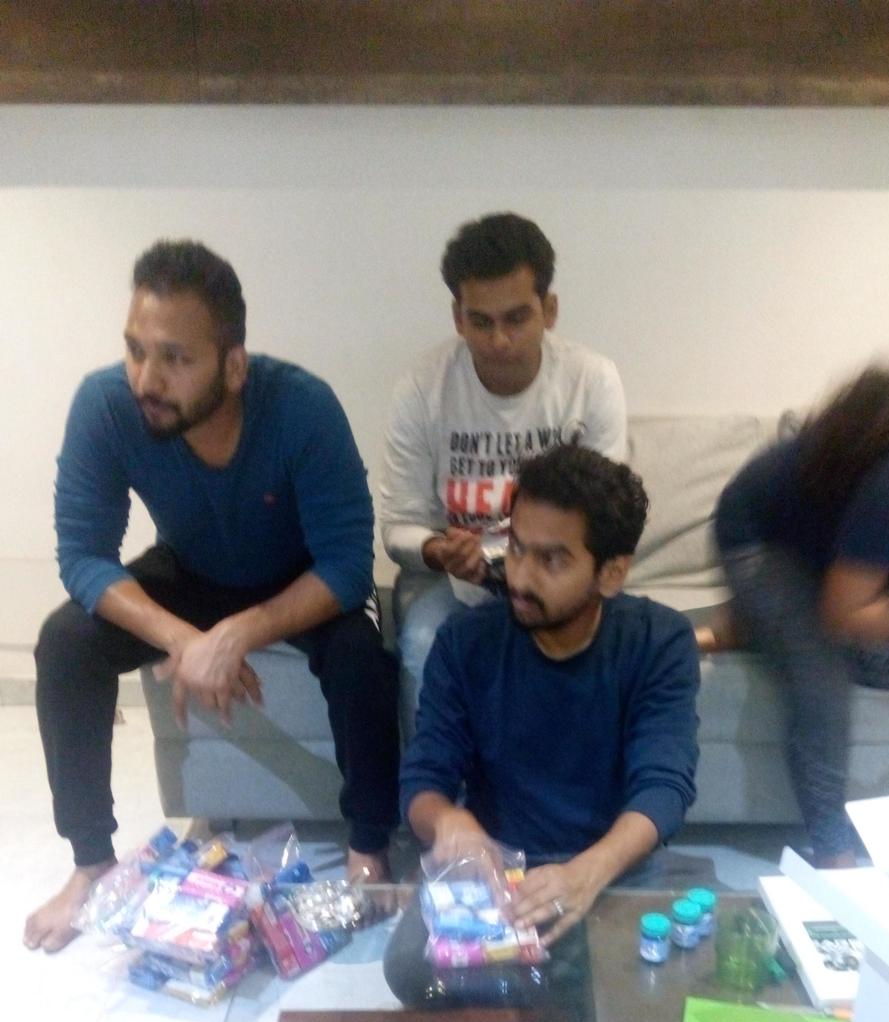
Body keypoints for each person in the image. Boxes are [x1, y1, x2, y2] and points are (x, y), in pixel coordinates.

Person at [24, 239, 399, 953]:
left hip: (299, 576)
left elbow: (349, 565)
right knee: (65, 641)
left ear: (233, 366)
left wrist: (239, 634)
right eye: (136, 350)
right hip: (192, 571)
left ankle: (370, 847)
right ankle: (92, 862)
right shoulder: (106, 405)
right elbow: (83, 556)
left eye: (176, 358)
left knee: (360, 655)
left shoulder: (303, 407)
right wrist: (186, 640)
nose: (147, 378)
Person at [397, 442, 699, 965]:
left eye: (552, 560)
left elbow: (665, 785)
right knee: (407, 968)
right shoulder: (465, 642)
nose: (520, 577)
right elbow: (423, 778)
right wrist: (449, 821)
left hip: (613, 866)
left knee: (679, 967)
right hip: (501, 872)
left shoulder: (660, 641)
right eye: (516, 548)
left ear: (611, 573)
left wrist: (588, 873)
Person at [704, 362, 889, 867]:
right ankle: (832, 849)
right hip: (762, 542)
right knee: (821, 677)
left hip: (833, 559)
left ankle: (759, 628)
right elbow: (845, 614)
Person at [379, 212, 627, 732]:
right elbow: (399, 525)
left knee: (596, 649)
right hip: (454, 583)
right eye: (482, 322)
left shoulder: (591, 381)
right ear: (458, 317)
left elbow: (610, 517)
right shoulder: (422, 389)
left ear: (549, 310)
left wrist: (546, 566)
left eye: (516, 318)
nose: (499, 340)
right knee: (424, 643)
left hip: (561, 572)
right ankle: (441, 782)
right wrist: (438, 550)